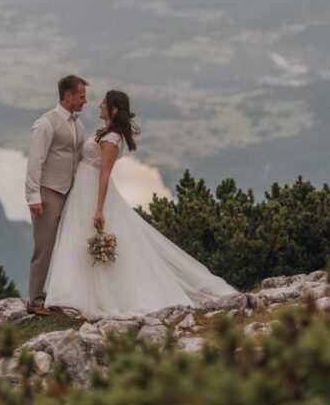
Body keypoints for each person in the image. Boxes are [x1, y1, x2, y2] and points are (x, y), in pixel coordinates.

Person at [44, 89, 241, 320]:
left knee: (90, 235)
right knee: (79, 237)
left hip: (92, 191)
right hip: (83, 189)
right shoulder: (105, 132)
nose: (99, 105)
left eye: (104, 103)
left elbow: (104, 175)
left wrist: (98, 209)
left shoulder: (111, 139)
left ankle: (91, 296)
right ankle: (76, 294)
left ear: (113, 110)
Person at [25, 74, 88, 315]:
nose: (85, 101)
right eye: (81, 96)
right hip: (48, 193)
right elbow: (35, 161)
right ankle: (35, 300)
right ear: (68, 96)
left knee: (63, 247)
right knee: (44, 247)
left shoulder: (77, 125)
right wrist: (34, 197)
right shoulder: (46, 123)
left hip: (69, 194)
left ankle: (55, 297)